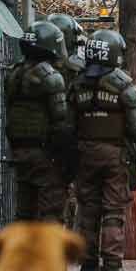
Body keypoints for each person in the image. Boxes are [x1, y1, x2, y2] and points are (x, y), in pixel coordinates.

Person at [72, 29, 136, 271]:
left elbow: (67, 123)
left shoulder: (78, 83)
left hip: (84, 155)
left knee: (88, 212)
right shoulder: (122, 84)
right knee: (112, 212)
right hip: (114, 157)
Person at [5, 21, 77, 271]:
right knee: (51, 215)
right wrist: (66, 159)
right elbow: (60, 123)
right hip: (46, 155)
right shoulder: (51, 77)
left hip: (20, 152)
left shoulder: (13, 74)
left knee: (24, 214)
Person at [47, 13, 86, 231]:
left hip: (36, 145)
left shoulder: (26, 70)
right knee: (63, 201)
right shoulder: (74, 70)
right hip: (66, 144)